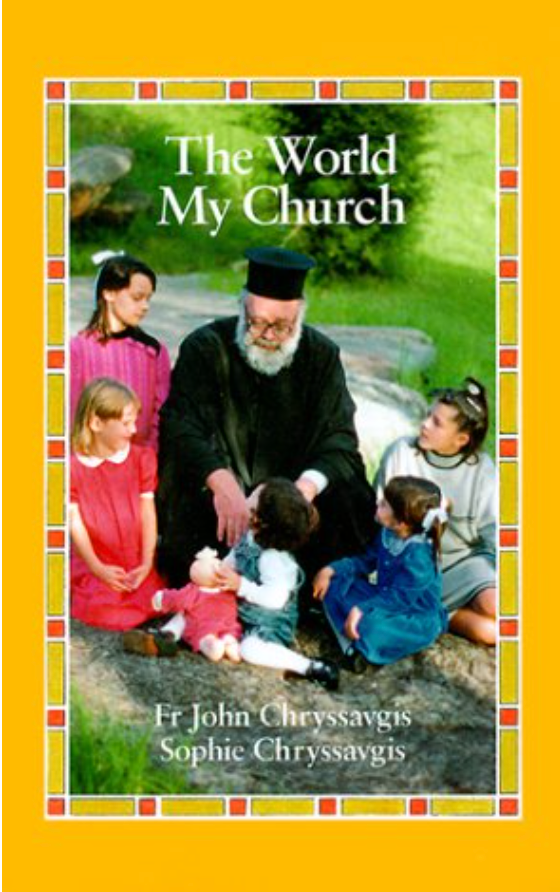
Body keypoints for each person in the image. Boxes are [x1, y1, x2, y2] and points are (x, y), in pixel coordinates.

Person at [157, 246, 375, 588]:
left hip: (293, 493)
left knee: (348, 489)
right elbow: (179, 425)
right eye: (257, 323)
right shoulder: (205, 348)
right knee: (184, 483)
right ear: (242, 308)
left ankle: (316, 592)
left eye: (282, 327)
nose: (269, 336)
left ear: (299, 317)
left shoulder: (321, 355)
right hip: (223, 488)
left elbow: (340, 439)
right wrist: (220, 482)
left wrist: (301, 493)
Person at [374, 378, 496, 645]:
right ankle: (442, 614)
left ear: (461, 439)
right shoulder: (402, 453)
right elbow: (382, 515)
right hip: (415, 564)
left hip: (465, 561)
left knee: (495, 606)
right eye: (428, 415)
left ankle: (439, 611)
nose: (425, 424)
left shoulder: (483, 471)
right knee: (488, 631)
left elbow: (495, 533)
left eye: (437, 423)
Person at [215, 478, 340, 690]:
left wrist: (241, 586)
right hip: (246, 606)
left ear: (258, 518)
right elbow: (235, 558)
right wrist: (219, 570)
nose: (247, 496)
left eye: (253, 497)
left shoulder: (273, 559)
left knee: (250, 649)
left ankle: (308, 666)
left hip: (269, 620)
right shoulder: (250, 537)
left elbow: (275, 599)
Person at [313, 476, 448, 668]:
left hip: (411, 614)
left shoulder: (419, 556)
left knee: (372, 626)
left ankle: (354, 646)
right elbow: (367, 561)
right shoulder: (388, 534)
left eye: (384, 504)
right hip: (382, 597)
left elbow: (399, 599)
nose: (378, 503)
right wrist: (332, 569)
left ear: (400, 522)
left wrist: (361, 609)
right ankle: (351, 641)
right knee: (336, 584)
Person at [70, 377, 164, 631]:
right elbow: (75, 524)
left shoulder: (141, 459)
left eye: (134, 422)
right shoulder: (73, 469)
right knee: (104, 609)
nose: (133, 430)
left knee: (154, 600)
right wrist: (98, 568)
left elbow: (148, 514)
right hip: (98, 563)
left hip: (135, 562)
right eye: (125, 423)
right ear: (96, 423)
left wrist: (146, 563)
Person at [70, 251, 171, 451]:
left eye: (148, 299)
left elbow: (161, 416)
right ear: (109, 293)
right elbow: (71, 415)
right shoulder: (77, 350)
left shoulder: (154, 351)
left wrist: (148, 459)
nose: (145, 306)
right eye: (137, 297)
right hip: (90, 460)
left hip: (142, 462)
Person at [124, 547, 242, 662]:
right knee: (191, 621)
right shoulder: (224, 590)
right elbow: (177, 599)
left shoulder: (195, 592)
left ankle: (166, 637)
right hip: (220, 625)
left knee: (193, 625)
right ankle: (226, 643)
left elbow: (176, 599)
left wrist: (162, 598)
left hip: (203, 626)